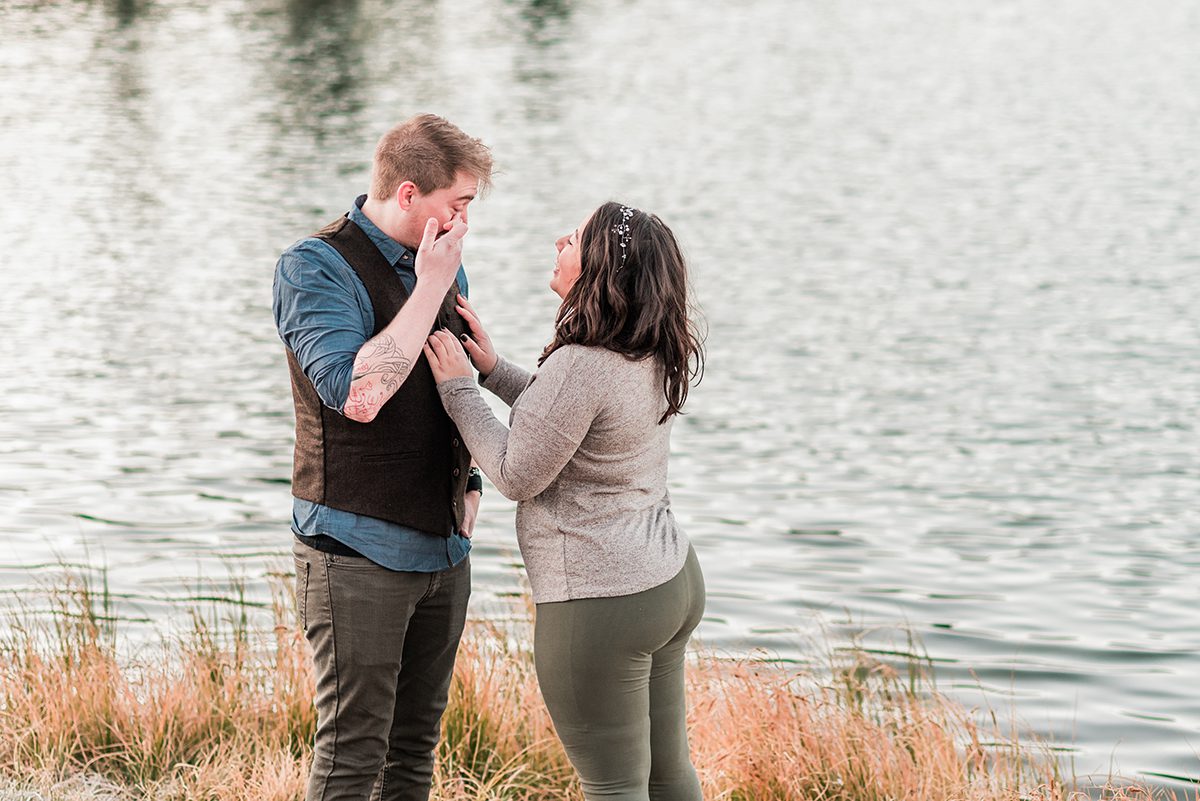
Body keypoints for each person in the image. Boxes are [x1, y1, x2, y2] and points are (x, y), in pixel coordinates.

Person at [424, 201, 707, 801]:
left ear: (600, 267)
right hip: (670, 582)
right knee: (666, 773)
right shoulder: (647, 350)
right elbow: (571, 421)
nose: (559, 240)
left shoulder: (581, 364)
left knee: (612, 787)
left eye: (574, 238)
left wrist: (457, 390)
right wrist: (495, 372)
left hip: (601, 600)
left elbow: (516, 472)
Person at [272, 113, 492, 801]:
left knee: (415, 752)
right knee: (351, 754)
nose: (463, 222)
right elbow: (358, 395)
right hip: (355, 550)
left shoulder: (442, 265)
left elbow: (448, 386)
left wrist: (473, 486)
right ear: (407, 194)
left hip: (442, 553)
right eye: (456, 204)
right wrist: (431, 287)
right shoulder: (313, 266)